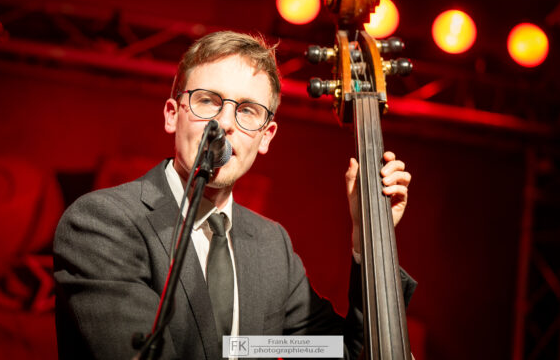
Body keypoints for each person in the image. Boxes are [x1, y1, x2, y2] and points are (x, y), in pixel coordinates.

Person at [53, 31, 415, 360]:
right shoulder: (102, 222)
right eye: (208, 101)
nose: (225, 123)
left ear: (266, 136)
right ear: (172, 115)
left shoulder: (271, 246)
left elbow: (341, 352)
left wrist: (367, 238)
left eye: (246, 110)